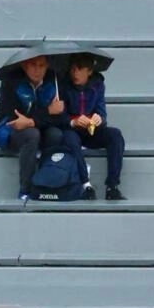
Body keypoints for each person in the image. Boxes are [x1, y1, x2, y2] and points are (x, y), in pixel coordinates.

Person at [0, 55, 91, 200]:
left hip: (39, 129)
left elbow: (58, 119)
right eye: (33, 65)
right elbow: (16, 118)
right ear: (25, 66)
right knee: (31, 135)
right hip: (8, 131)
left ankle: (47, 181)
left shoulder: (54, 81)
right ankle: (25, 190)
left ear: (47, 66)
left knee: (56, 134)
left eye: (41, 65)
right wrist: (47, 112)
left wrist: (34, 120)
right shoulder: (11, 83)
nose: (37, 70)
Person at [62, 54, 127, 200]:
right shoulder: (63, 85)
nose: (75, 73)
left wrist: (99, 119)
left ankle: (112, 186)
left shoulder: (98, 85)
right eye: (72, 69)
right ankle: (86, 185)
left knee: (115, 135)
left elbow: (102, 113)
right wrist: (74, 121)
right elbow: (60, 117)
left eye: (79, 69)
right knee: (70, 139)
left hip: (91, 130)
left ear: (89, 71)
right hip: (72, 130)